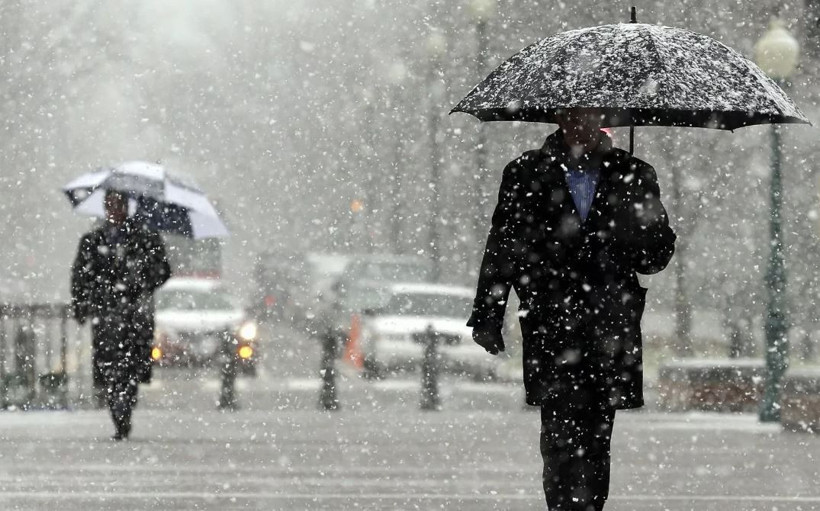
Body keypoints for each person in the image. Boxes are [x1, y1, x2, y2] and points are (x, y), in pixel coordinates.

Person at [468, 109, 676, 510]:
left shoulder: (634, 175)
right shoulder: (525, 172)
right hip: (551, 323)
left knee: (597, 440)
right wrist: (488, 314)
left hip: (609, 328)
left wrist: (638, 225)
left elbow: (655, 257)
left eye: (589, 113)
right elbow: (503, 247)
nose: (579, 121)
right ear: (558, 116)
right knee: (558, 438)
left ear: (604, 116)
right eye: (572, 113)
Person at [71, 190, 171, 440]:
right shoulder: (93, 241)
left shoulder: (146, 238)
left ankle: (125, 406)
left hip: (135, 316)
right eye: (109, 204)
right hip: (106, 316)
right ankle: (119, 412)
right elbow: (80, 277)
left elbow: (163, 270)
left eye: (119, 204)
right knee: (111, 368)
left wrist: (139, 278)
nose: (114, 210)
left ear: (127, 207)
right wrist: (83, 305)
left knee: (131, 368)